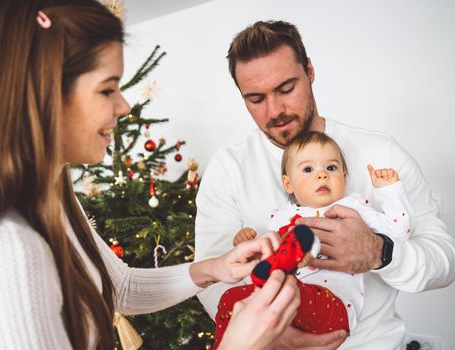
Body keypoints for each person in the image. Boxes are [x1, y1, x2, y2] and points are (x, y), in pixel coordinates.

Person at [0, 2, 301, 349]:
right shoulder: (9, 245)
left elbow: (118, 287)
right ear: (43, 96)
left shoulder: (53, 197)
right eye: (108, 88)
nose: (124, 106)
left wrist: (216, 268)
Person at [194, 20, 455, 349]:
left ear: (310, 71)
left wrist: (380, 252)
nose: (275, 110)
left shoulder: (380, 153)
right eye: (256, 98)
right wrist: (272, 335)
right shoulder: (228, 168)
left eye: (286, 88)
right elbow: (211, 279)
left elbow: (444, 261)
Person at [213, 130, 413, 348]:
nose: (322, 175)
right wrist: (248, 244)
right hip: (284, 307)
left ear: (344, 177)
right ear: (288, 184)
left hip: (334, 309)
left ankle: (299, 252)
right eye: (308, 169)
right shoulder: (278, 218)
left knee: (290, 290)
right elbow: (263, 254)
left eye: (331, 168)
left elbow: (399, 231)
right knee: (231, 299)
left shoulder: (354, 209)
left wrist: (390, 191)